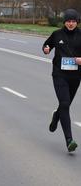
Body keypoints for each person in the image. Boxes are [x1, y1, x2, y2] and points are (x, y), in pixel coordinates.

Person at [43, 8, 81, 152]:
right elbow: (47, 45)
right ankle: (69, 140)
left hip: (76, 76)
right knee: (65, 104)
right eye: (68, 21)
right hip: (59, 75)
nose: (70, 24)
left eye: (73, 21)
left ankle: (56, 115)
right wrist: (46, 49)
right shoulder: (57, 34)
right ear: (64, 22)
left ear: (77, 22)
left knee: (65, 105)